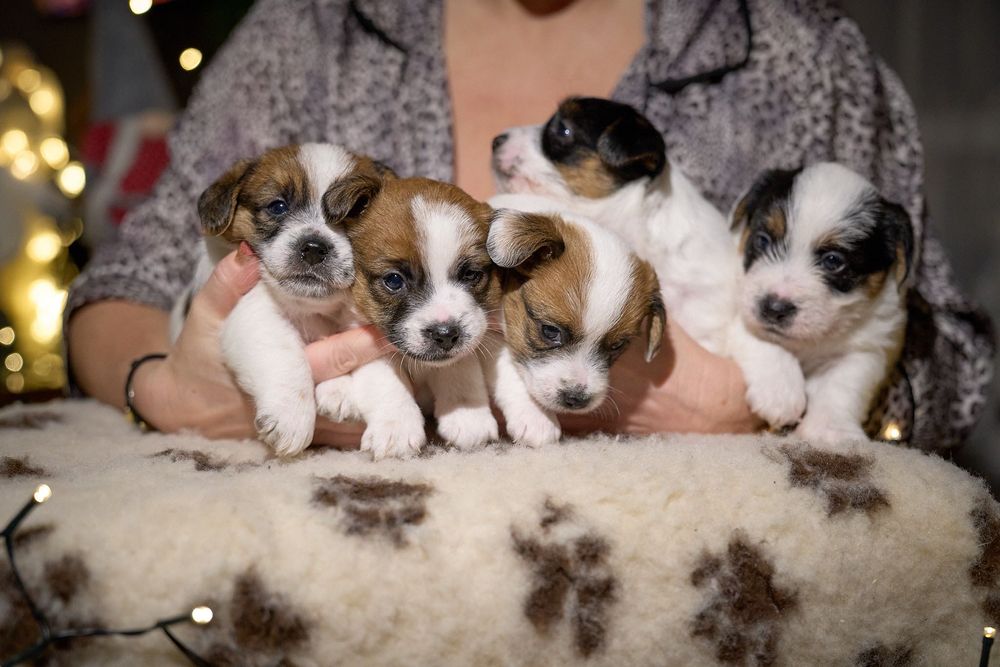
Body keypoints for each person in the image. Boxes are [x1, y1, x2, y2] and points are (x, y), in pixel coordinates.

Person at [66, 0, 995, 452]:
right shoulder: (311, 28)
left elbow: (951, 358)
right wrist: (165, 385)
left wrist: (765, 398)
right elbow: (121, 283)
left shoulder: (794, 45)